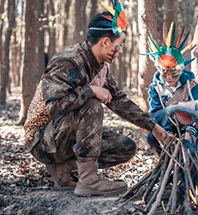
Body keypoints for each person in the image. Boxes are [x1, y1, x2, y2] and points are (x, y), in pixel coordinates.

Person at [23, 1, 167, 197]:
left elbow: (119, 101)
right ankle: (88, 181)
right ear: (105, 42)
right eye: (119, 46)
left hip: (63, 136)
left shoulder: (100, 67)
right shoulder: (66, 62)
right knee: (91, 105)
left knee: (125, 147)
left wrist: (152, 126)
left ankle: (65, 170)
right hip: (42, 141)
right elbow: (54, 108)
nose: (121, 51)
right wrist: (90, 91)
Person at [143, 22, 198, 154]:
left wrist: (190, 130)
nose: (169, 78)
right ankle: (166, 159)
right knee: (152, 137)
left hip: (190, 125)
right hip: (168, 127)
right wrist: (167, 132)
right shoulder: (155, 88)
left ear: (180, 70)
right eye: (165, 74)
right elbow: (156, 112)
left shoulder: (190, 84)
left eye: (173, 74)